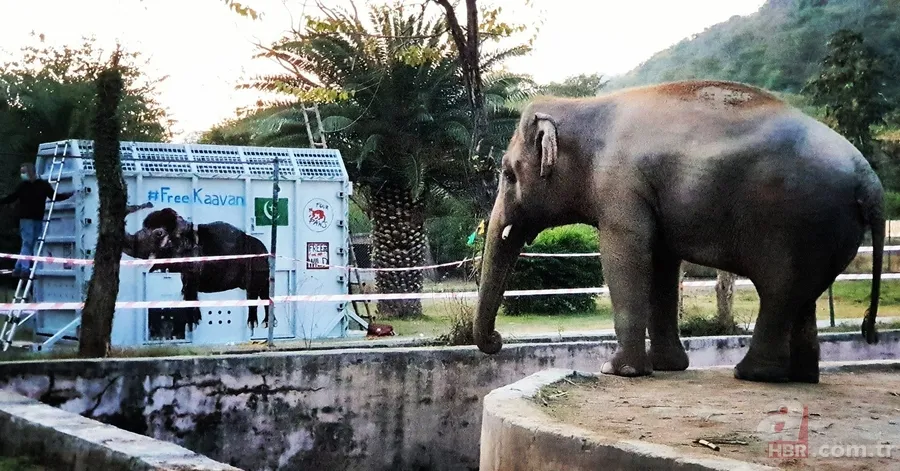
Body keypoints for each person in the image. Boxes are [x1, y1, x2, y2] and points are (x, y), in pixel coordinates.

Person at [0, 162, 74, 278]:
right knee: (27, 243)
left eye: (24, 172)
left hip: (38, 219)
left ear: (31, 172)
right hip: (26, 219)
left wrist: (68, 195)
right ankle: (25, 270)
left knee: (29, 245)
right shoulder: (22, 186)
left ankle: (18, 268)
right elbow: (12, 197)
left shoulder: (43, 185)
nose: (22, 175)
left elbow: (54, 196)